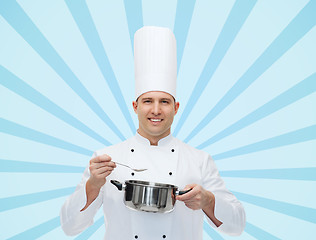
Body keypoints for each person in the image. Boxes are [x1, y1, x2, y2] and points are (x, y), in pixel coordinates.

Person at [60, 26, 246, 240]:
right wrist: (92, 185)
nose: (156, 110)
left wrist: (208, 201)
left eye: (164, 102)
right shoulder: (106, 160)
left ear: (176, 108)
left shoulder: (200, 160)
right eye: (148, 101)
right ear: (135, 106)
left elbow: (237, 226)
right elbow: (69, 228)